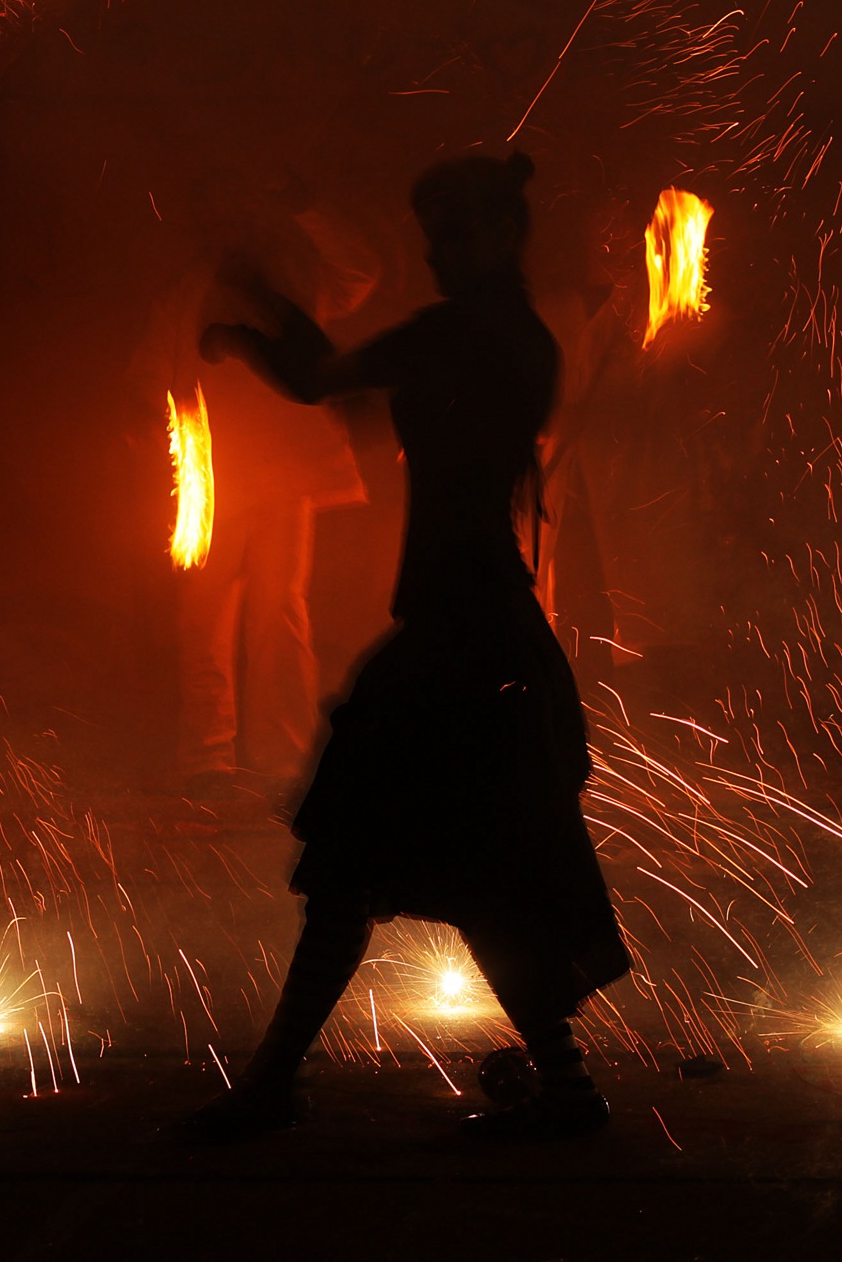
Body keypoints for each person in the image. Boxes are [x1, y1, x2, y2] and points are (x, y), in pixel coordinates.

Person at [189, 151, 631, 1138]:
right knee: (480, 869)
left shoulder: (462, 334)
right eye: (433, 237)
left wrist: (249, 306)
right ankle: (565, 1089)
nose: (438, 254)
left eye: (456, 235)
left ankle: (269, 1088)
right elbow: (336, 382)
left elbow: (317, 377)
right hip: (478, 624)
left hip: (461, 636)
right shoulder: (513, 337)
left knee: (358, 861)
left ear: (505, 236)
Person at [135, 180, 371, 798]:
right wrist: (148, 439)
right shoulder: (186, 296)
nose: (227, 230)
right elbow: (149, 374)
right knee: (206, 619)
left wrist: (309, 207)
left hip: (284, 479)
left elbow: (360, 272)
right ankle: (208, 762)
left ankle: (283, 758)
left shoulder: (293, 279)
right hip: (213, 486)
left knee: (279, 613)